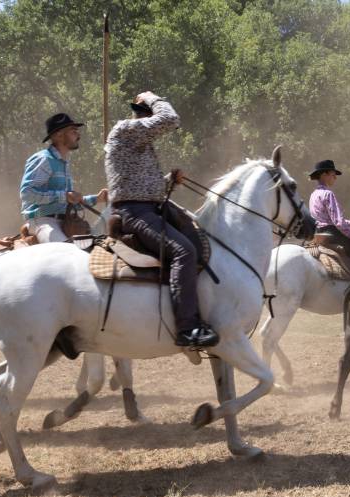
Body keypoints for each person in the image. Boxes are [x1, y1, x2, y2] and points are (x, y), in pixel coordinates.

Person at [105, 91, 218, 348]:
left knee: (196, 235)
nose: (151, 120)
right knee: (184, 252)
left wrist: (168, 181)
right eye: (149, 113)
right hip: (135, 213)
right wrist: (154, 98)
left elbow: (139, 186)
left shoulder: (135, 141)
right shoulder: (125, 130)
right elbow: (170, 119)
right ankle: (187, 329)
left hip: (147, 207)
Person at [20, 113, 107, 243]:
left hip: (64, 221)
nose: (78, 135)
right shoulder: (44, 159)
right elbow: (27, 193)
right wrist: (64, 196)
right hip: (43, 221)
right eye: (73, 131)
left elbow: (68, 202)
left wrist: (97, 199)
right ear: (59, 135)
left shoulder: (64, 163)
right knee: (68, 251)